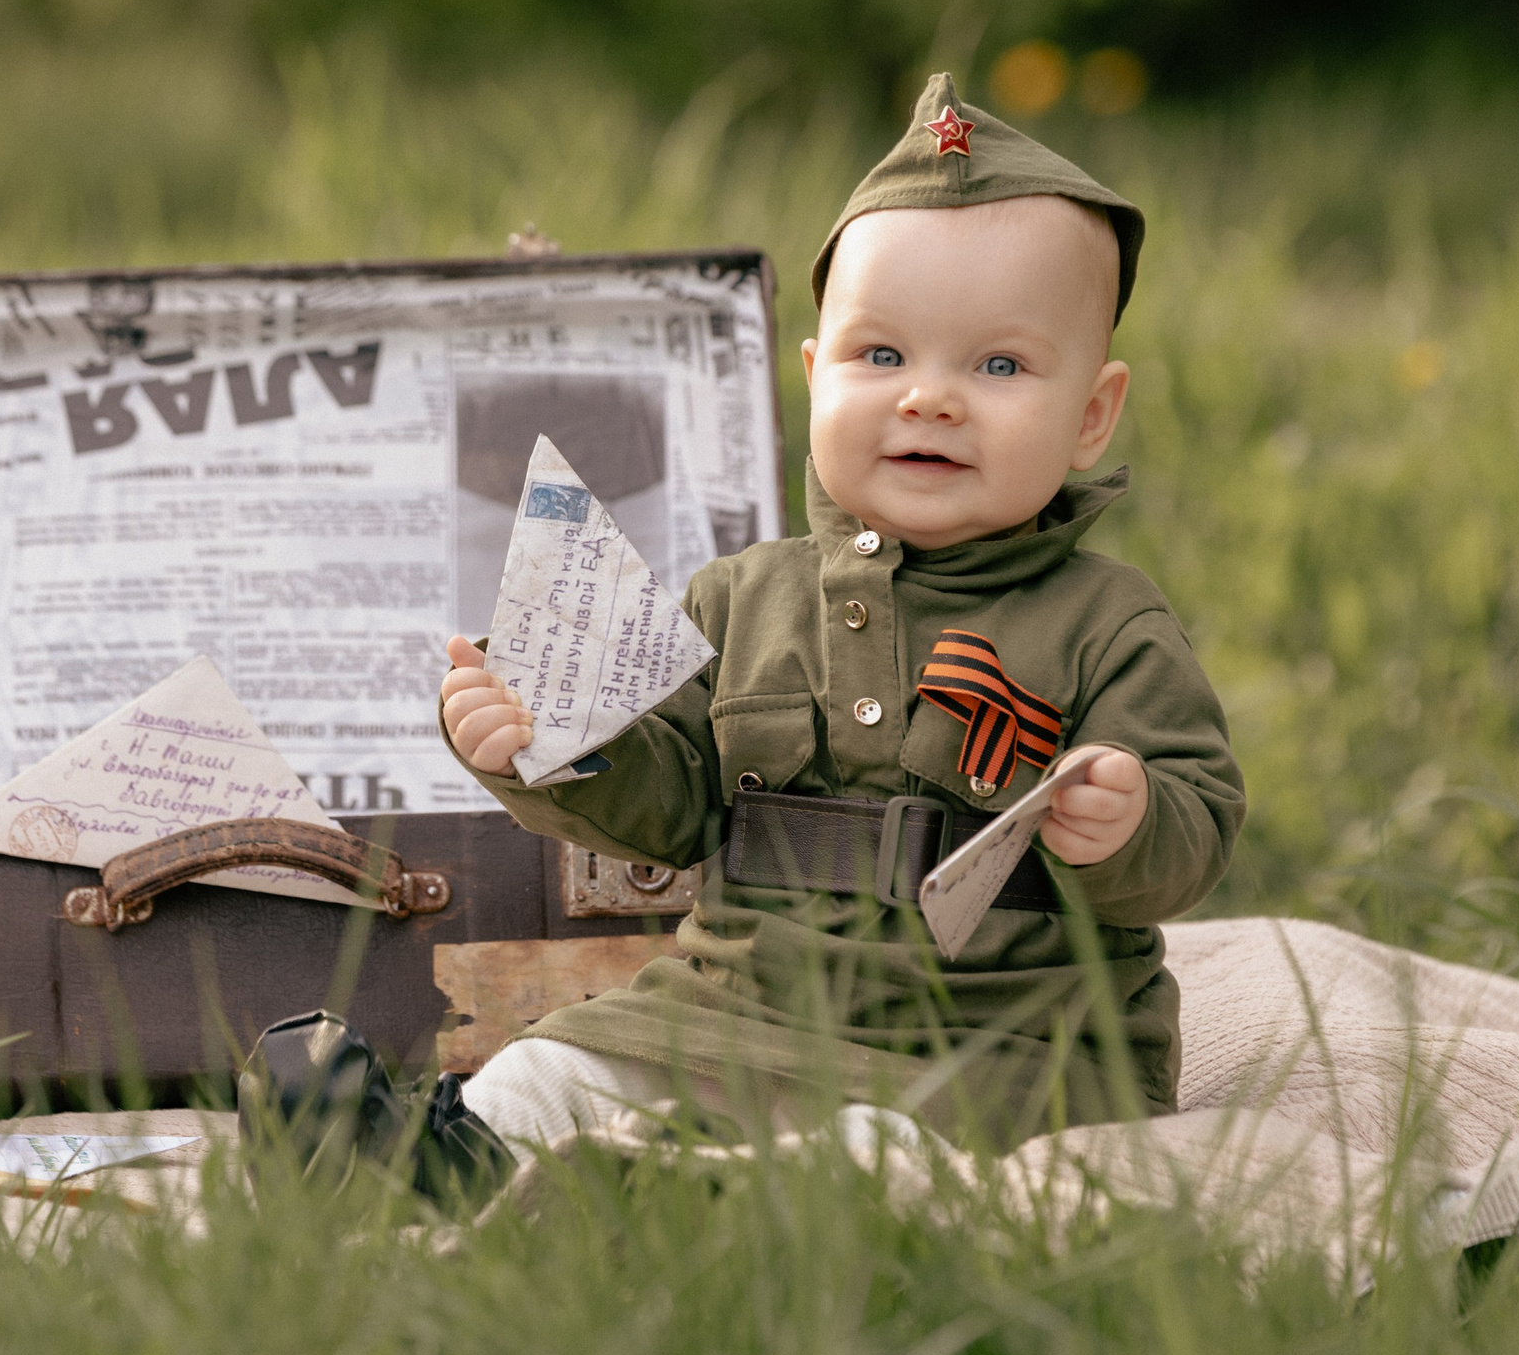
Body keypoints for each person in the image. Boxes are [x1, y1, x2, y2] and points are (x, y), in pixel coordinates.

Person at [241, 73, 1243, 1190]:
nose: (929, 399)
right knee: (562, 1063)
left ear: (1090, 416)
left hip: (1000, 1044)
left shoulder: (1105, 621)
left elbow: (1193, 826)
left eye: (998, 365)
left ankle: (722, 1196)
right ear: (814, 379)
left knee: (891, 1153)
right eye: (881, 357)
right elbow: (668, 807)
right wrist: (546, 743)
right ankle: (435, 1157)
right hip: (740, 1010)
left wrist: (1132, 818)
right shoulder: (741, 598)